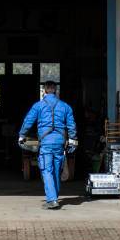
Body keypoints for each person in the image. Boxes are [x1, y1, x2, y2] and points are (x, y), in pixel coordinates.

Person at [18, 81, 77, 209]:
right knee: (56, 170)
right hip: (60, 142)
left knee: (46, 170)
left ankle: (52, 200)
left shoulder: (38, 106)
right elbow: (71, 125)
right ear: (55, 91)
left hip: (46, 142)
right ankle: (54, 197)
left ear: (44, 91)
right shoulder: (65, 106)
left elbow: (28, 121)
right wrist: (72, 138)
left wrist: (22, 135)